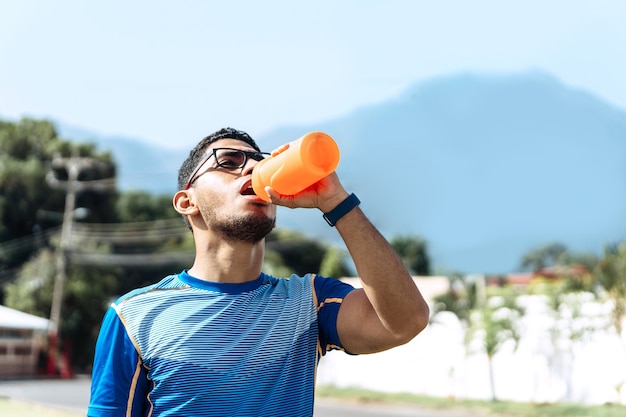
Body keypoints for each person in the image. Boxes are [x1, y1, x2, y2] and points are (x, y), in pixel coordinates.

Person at [87, 127, 430, 417]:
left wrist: (334, 199)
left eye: (259, 161)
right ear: (187, 201)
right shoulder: (134, 315)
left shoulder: (308, 302)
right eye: (230, 161)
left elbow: (405, 321)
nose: (251, 167)